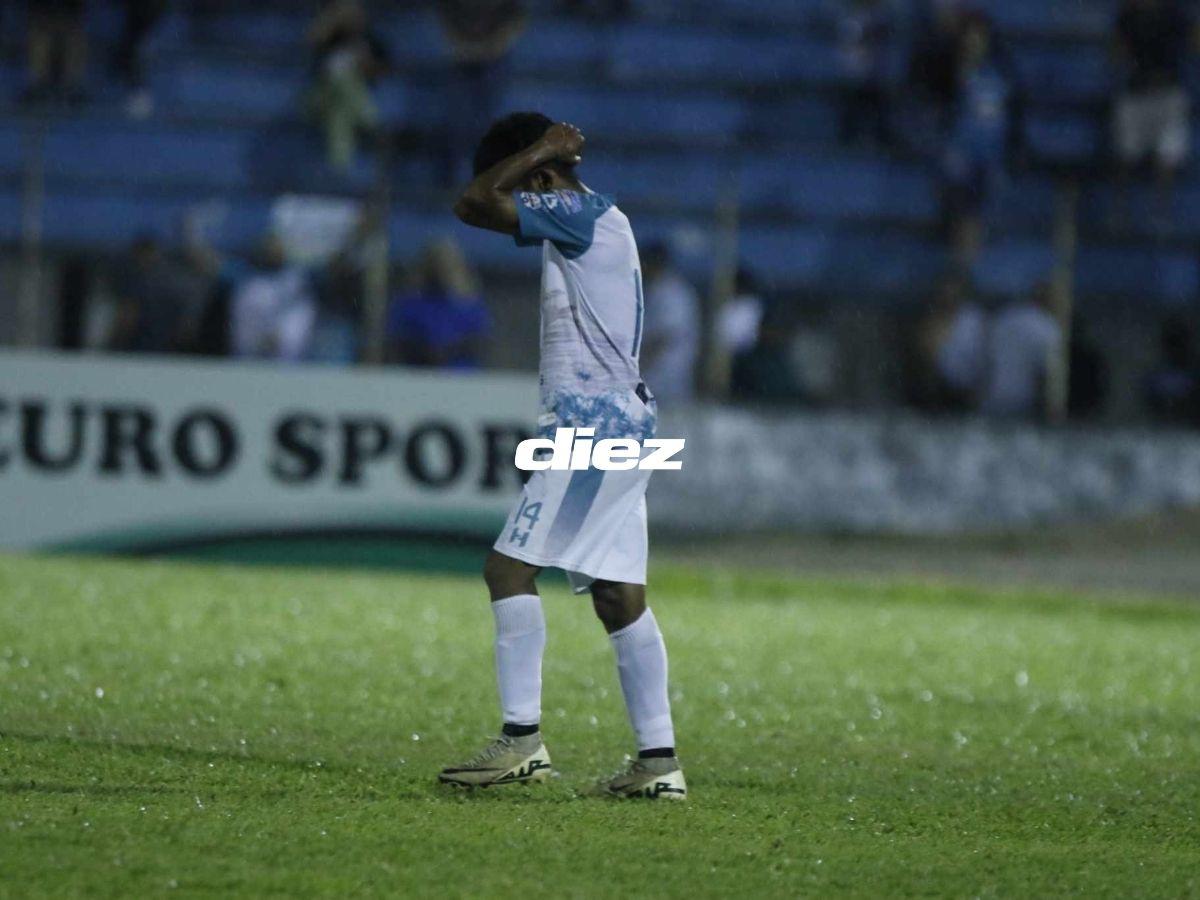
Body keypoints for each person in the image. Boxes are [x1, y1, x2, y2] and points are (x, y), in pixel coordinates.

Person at [443, 112, 685, 799]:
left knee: (508, 569)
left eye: (525, 182)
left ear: (541, 177)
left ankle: (521, 742)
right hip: (621, 421)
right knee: (617, 594)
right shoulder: (598, 221)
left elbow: (473, 204)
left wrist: (541, 148)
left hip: (595, 426)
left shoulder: (577, 213)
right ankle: (658, 762)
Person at [940, 13, 1013, 268]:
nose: (974, 43)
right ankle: (958, 262)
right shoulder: (949, 69)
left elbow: (1009, 113)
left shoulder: (1000, 71)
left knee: (982, 210)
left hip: (990, 155)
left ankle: (973, 262)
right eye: (970, 37)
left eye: (979, 37)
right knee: (962, 209)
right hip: (961, 156)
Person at [1111, 0, 1196, 219]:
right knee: (1125, 154)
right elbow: (1116, 53)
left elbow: (1193, 45)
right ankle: (1120, 211)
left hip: (1169, 92)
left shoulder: (1177, 15)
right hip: (1136, 92)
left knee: (1168, 156)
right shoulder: (1128, 15)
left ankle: (1163, 214)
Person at [437, 0, 527, 186]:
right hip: (460, 55)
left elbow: (517, 19)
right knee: (457, 117)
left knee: (490, 114)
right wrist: (462, 47)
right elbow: (442, 17)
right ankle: (453, 173)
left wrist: (491, 48)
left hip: (495, 56)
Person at [307, 0, 389, 170]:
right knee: (339, 77)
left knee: (339, 113)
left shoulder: (371, 42)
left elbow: (382, 71)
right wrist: (328, 26)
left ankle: (339, 166)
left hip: (345, 99)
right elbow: (312, 44)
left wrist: (363, 61)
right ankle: (368, 118)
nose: (347, 15)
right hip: (321, 98)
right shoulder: (328, 42)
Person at [387, 238, 491, 369]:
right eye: (435, 265)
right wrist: (428, 353)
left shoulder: (470, 306)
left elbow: (479, 342)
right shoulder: (408, 305)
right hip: (417, 372)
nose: (440, 272)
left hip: (461, 374)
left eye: (446, 266)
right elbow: (398, 342)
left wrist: (449, 351)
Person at [979, 283, 1063, 420]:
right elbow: (1045, 372)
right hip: (1024, 399)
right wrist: (1049, 407)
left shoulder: (1002, 318)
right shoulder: (1047, 327)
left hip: (993, 395)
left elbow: (986, 362)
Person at [908, 272, 984, 412]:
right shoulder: (932, 320)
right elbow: (926, 357)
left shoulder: (973, 318)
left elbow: (983, 357)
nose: (949, 294)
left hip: (971, 387)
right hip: (941, 389)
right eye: (946, 289)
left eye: (953, 289)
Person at [638, 242, 700, 402]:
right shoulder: (652, 289)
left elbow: (663, 337)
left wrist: (638, 367)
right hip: (653, 377)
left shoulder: (674, 293)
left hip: (668, 376)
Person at [838, 0, 896, 148]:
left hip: (876, 72)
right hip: (860, 71)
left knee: (878, 106)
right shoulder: (856, 19)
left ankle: (881, 135)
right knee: (856, 103)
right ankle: (849, 134)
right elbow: (853, 40)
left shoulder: (882, 17)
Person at [23, 0, 89, 106]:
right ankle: (40, 82)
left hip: (70, 11)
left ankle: (71, 84)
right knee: (41, 35)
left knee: (72, 35)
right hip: (43, 9)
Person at [1145, 314, 1200, 425]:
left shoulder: (1195, 374)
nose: (1176, 349)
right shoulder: (1155, 377)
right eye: (1173, 344)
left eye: (1179, 343)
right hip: (1164, 427)